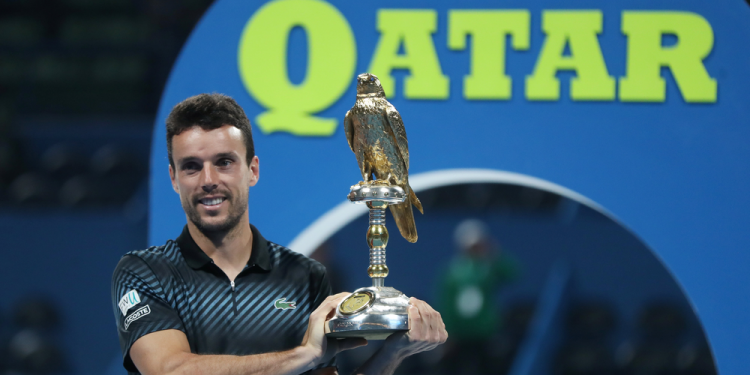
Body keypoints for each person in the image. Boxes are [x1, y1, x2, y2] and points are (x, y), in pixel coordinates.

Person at [110, 93, 447, 375]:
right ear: (173, 178)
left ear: (252, 170)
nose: (208, 179)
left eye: (224, 162)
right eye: (191, 166)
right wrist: (303, 355)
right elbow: (169, 370)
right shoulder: (146, 273)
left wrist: (393, 354)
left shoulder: (305, 276)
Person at [437, 218, 519, 375]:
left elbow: (513, 274)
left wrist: (495, 255)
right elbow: (446, 303)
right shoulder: (452, 272)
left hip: (485, 333)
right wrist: (447, 331)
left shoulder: (489, 268)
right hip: (459, 334)